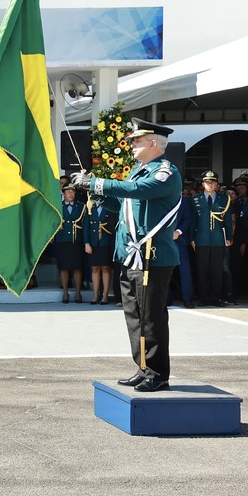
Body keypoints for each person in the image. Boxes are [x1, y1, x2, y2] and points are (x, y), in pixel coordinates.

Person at [71, 118, 181, 393]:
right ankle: (143, 367)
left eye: (137, 140)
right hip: (132, 255)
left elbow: (140, 192)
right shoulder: (137, 171)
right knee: (134, 315)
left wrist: (99, 182)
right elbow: (122, 201)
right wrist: (93, 190)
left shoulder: (165, 172)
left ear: (154, 143)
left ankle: (158, 374)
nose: (132, 144)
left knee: (151, 317)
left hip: (152, 256)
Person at [189, 171, 234, 307]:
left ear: (216, 185)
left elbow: (227, 220)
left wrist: (229, 237)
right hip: (201, 239)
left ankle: (215, 297)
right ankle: (203, 297)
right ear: (203, 184)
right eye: (207, 182)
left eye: (212, 182)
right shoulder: (195, 199)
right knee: (202, 270)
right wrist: (191, 238)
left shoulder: (224, 199)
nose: (210, 184)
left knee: (217, 270)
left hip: (218, 239)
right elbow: (193, 221)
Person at [56, 185, 86, 304]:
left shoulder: (81, 206)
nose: (70, 194)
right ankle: (65, 292)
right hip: (63, 240)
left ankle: (78, 293)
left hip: (76, 240)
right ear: (63, 194)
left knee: (77, 267)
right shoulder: (58, 206)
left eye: (72, 192)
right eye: (68, 192)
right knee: (64, 268)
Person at [83, 197, 115, 305]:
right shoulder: (90, 208)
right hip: (93, 242)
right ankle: (95, 294)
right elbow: (86, 226)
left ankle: (105, 295)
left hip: (106, 242)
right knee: (95, 268)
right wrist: (86, 243)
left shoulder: (109, 207)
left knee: (106, 268)